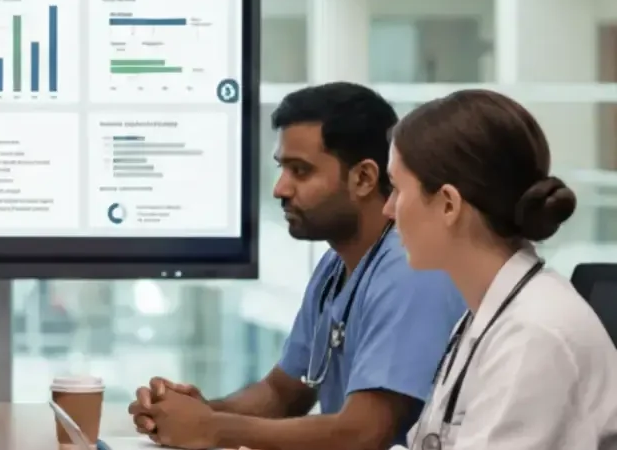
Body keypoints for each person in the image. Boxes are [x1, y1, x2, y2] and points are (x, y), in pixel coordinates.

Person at [129, 82, 467, 450]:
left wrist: (213, 427)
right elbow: (281, 394)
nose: (280, 188)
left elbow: (364, 433)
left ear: (364, 178)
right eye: (282, 168)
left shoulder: (410, 270)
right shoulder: (335, 267)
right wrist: (193, 412)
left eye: (300, 171)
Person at [388, 90, 617, 449]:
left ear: (448, 205)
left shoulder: (534, 335)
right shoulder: (490, 312)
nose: (388, 210)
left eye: (396, 190)